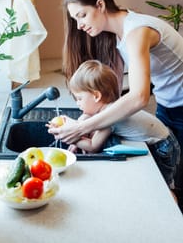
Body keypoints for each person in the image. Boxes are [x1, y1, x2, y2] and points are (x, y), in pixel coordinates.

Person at [48, 0, 183, 207]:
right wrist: (85, 126)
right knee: (165, 183)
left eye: (82, 15)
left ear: (100, 5)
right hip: (168, 106)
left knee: (173, 187)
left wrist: (82, 128)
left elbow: (139, 96)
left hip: (179, 109)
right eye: (75, 19)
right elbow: (111, 100)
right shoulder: (121, 33)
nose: (79, 25)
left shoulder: (136, 32)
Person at [51, 59, 180, 190]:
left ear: (96, 96)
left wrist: (72, 138)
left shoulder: (109, 119)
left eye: (79, 98)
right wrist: (75, 131)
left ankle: (173, 207)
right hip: (165, 136)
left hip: (163, 146)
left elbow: (93, 146)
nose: (77, 103)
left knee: (163, 187)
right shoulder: (110, 107)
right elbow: (86, 118)